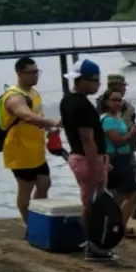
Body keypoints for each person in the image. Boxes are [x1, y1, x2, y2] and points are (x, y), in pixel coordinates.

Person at [59, 59, 112, 261]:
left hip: (81, 156)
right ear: (81, 80)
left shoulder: (67, 100)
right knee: (92, 204)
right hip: (87, 158)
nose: (98, 85)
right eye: (95, 80)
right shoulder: (81, 105)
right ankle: (93, 244)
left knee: (90, 202)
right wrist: (95, 167)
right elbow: (87, 139)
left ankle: (92, 241)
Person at [1, 57, 61, 228]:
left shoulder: (33, 93)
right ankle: (29, 224)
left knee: (44, 183)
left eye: (37, 72)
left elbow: (37, 117)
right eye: (32, 72)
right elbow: (26, 115)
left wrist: (50, 129)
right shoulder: (13, 96)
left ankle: (37, 216)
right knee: (25, 189)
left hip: (36, 149)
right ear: (19, 73)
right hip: (19, 150)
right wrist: (53, 121)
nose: (36, 76)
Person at [101, 74, 136, 221]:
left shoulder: (124, 108)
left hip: (125, 150)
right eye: (122, 85)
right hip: (116, 154)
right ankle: (123, 218)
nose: (124, 88)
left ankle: (132, 212)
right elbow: (115, 137)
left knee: (129, 186)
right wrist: (131, 133)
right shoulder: (106, 112)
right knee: (127, 188)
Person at [100, 88, 136, 238]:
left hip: (123, 157)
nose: (118, 103)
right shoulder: (107, 119)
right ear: (106, 102)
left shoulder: (117, 117)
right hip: (116, 159)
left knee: (120, 195)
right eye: (114, 100)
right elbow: (116, 140)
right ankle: (120, 225)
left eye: (120, 100)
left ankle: (116, 224)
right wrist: (132, 134)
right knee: (132, 193)